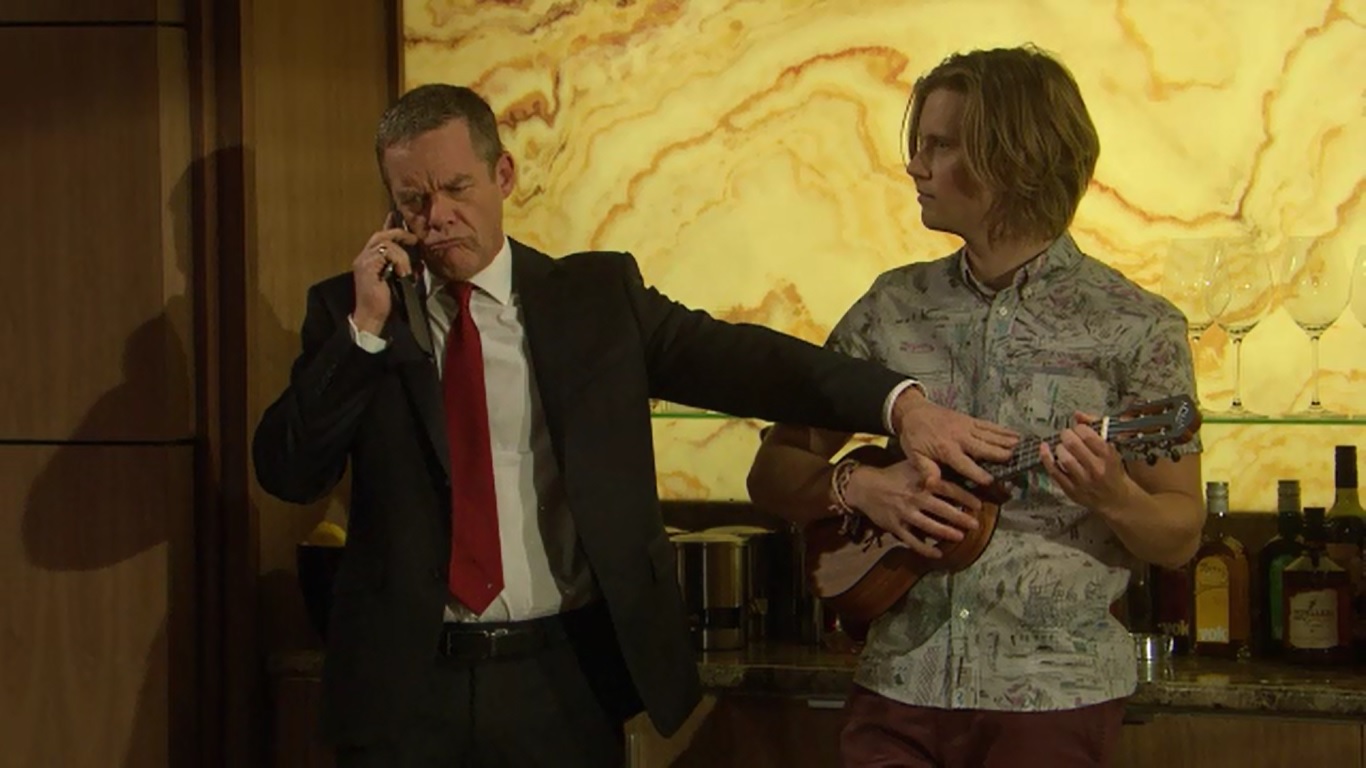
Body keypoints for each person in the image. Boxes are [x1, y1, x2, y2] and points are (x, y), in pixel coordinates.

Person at [252, 83, 1018, 767]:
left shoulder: (594, 300)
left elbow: (747, 362)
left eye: (457, 188)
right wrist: (363, 332)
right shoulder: (353, 314)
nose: (438, 217)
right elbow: (288, 472)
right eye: (414, 199)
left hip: (560, 680)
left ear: (503, 175)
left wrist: (898, 403)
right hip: (402, 690)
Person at [747, 46, 1204, 767]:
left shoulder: (1137, 327)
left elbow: (1178, 534)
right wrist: (860, 485)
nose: (914, 166)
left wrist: (1113, 495)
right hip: (895, 689)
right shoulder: (890, 308)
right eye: (920, 144)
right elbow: (772, 473)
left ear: (1014, 160)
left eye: (940, 146)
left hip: (1054, 701)